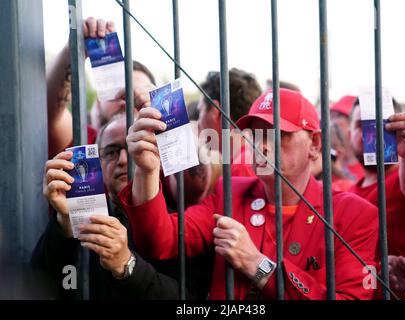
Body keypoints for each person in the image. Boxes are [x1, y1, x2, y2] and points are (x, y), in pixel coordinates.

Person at [119, 88, 379, 300]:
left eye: (278, 134)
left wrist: (258, 266)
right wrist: (147, 170)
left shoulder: (354, 214)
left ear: (315, 144)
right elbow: (159, 241)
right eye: (255, 134)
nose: (262, 144)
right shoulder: (230, 192)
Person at [31, 114, 185, 299]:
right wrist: (64, 223)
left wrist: (127, 264)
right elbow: (39, 284)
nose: (122, 160)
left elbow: (187, 300)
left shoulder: (177, 221)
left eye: (132, 149)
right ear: (99, 163)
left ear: (156, 157)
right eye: (111, 152)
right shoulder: (85, 218)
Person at [347, 98, 405, 298]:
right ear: (348, 134)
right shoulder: (346, 194)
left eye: (381, 124)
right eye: (361, 125)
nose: (370, 132)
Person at [46, 17, 156, 157]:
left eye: (138, 95)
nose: (125, 102)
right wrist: (72, 51)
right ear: (98, 103)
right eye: (117, 92)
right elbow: (48, 112)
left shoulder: (167, 147)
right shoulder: (84, 139)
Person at [197, 68, 262, 177]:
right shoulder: (248, 159)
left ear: (215, 111)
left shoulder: (240, 167)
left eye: (200, 111)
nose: (198, 122)